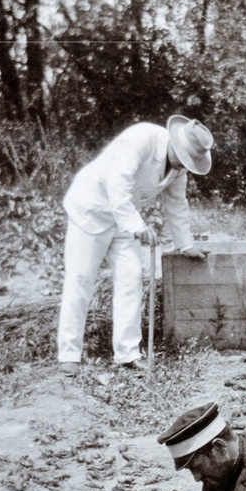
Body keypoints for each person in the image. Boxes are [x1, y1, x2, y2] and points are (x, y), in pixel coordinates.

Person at [57, 115, 214, 374]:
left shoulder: (179, 169)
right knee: (81, 279)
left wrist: (185, 245)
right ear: (174, 142)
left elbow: (176, 204)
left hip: (124, 217)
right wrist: (137, 226)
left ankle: (127, 354)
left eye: (190, 161)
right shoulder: (142, 137)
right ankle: (69, 354)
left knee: (131, 280)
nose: (185, 165)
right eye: (184, 157)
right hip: (91, 209)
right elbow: (116, 183)